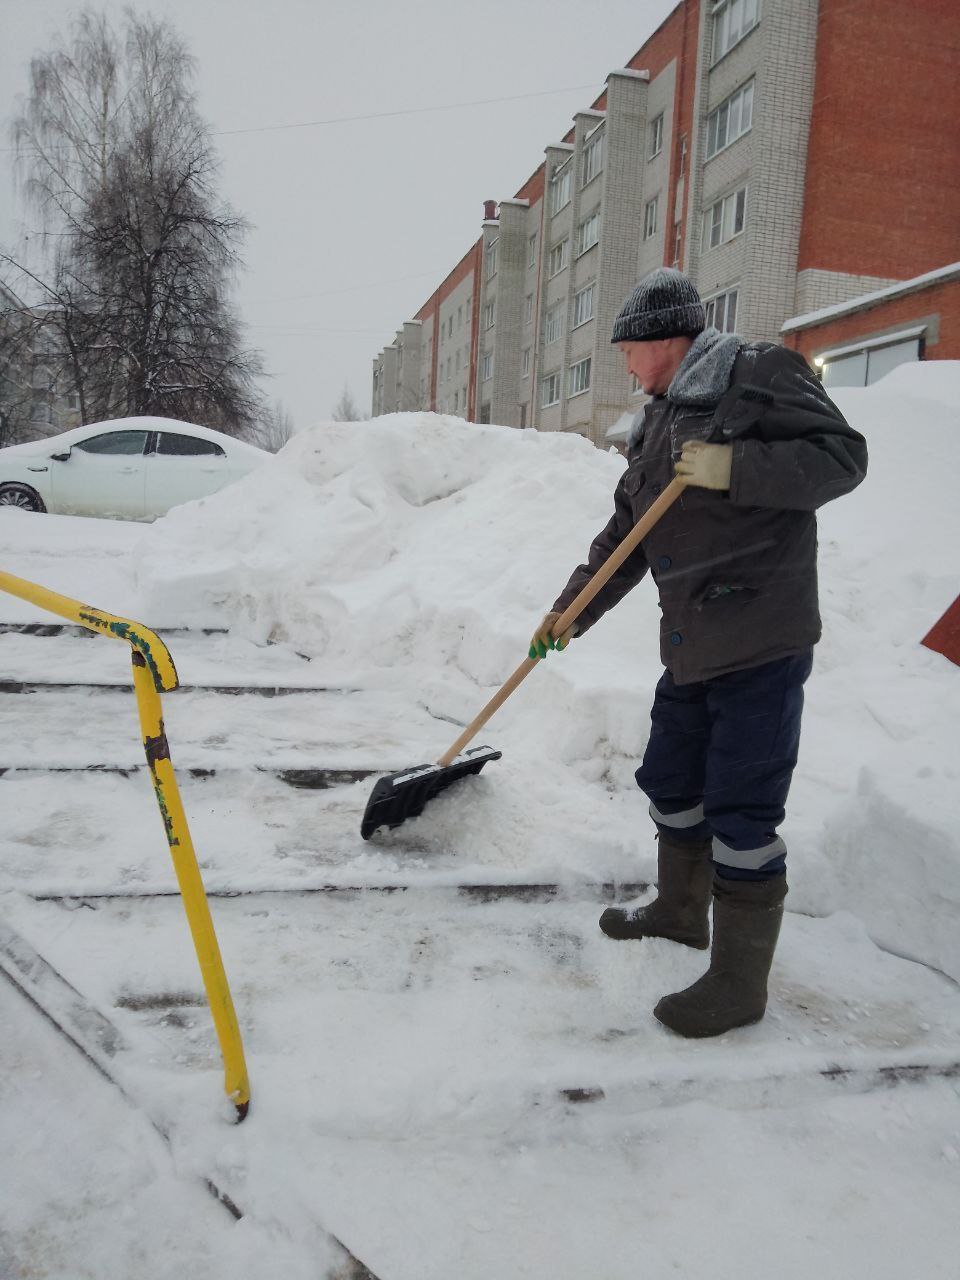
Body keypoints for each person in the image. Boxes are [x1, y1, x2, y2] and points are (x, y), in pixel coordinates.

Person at [530, 267, 867, 1039]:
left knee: (743, 811)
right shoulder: (656, 421)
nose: (626, 366)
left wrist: (735, 469)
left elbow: (843, 458)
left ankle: (739, 987)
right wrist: (570, 612)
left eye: (629, 351)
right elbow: (626, 537)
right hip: (690, 645)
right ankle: (682, 912)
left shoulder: (761, 374)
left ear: (666, 340)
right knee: (670, 780)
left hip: (761, 640)